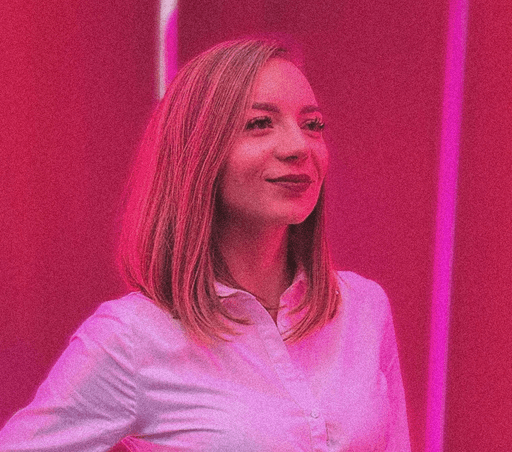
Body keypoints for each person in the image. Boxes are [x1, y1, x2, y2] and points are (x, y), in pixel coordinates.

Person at [0, 38, 411, 451]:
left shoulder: (363, 307)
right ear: (199, 151)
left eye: (313, 125)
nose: (298, 147)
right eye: (259, 123)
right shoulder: (131, 338)